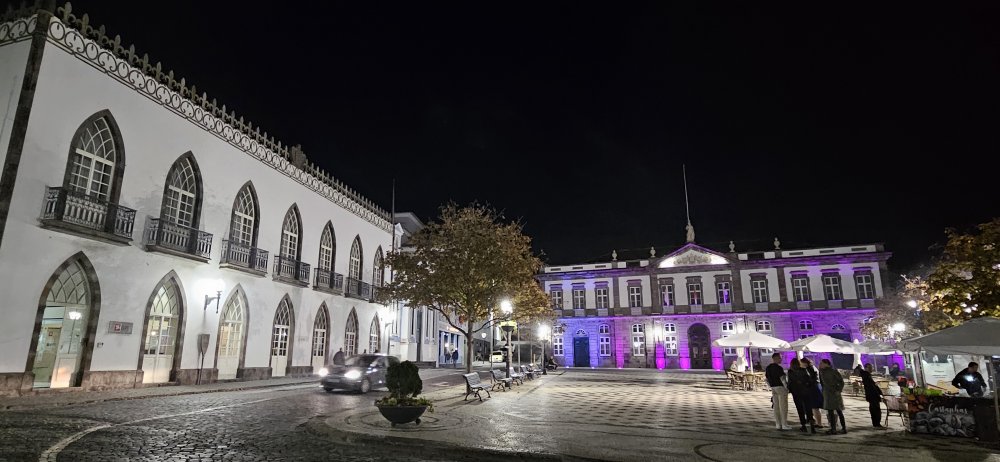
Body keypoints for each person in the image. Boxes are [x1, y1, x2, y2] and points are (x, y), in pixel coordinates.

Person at [787, 358, 817, 433]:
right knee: (808, 408)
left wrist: (789, 389)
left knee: (800, 409)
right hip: (806, 392)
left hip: (796, 393)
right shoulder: (803, 370)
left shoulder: (790, 372)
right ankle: (812, 425)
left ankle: (803, 426)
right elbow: (809, 380)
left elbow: (790, 382)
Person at [819, 359, 846, 434]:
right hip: (830, 393)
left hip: (831, 393)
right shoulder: (823, 372)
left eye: (822, 363)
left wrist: (838, 390)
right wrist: (838, 390)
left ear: (826, 363)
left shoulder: (829, 372)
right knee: (836, 411)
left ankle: (836, 428)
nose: (820, 364)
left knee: (835, 411)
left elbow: (840, 382)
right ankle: (838, 428)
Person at [765, 352, 792, 430]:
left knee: (776, 407)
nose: (781, 359)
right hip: (780, 387)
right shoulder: (778, 368)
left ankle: (778, 424)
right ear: (775, 358)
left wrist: (770, 386)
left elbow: (766, 379)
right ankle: (784, 424)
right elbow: (782, 379)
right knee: (783, 406)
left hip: (773, 388)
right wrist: (786, 387)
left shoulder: (768, 367)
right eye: (780, 358)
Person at [855, 363, 885, 428]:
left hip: (872, 395)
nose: (871, 369)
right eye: (870, 367)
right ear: (866, 368)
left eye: (871, 367)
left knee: (874, 409)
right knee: (875, 409)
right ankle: (877, 423)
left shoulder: (867, 375)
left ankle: (876, 423)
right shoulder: (866, 375)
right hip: (872, 395)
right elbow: (872, 386)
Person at [800, 358, 824, 428]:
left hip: (813, 388)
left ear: (805, 363)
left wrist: (806, 383)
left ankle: (819, 423)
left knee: (815, 407)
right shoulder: (813, 368)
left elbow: (811, 379)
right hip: (816, 387)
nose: (801, 365)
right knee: (815, 407)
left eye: (801, 363)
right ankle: (818, 422)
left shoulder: (809, 369)